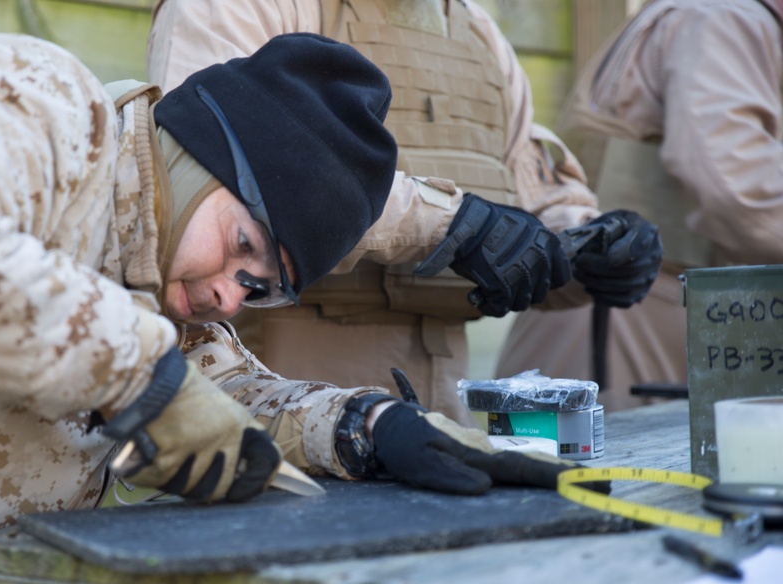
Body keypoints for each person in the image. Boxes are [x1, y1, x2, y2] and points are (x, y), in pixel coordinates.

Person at [0, 32, 610, 584]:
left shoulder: (162, 274)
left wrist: (368, 427)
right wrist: (139, 371)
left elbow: (218, 397)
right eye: (242, 246)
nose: (228, 295)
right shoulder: (32, 98)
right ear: (202, 155)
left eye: (262, 287)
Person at [147, 0, 664, 425]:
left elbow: (525, 195)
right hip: (280, 381)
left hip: (442, 393)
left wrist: (584, 249)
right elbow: (209, 173)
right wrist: (455, 224)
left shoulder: (479, 36)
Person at [496, 0, 783, 410]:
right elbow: (737, 191)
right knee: (598, 469)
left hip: (633, 309)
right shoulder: (724, 16)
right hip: (627, 315)